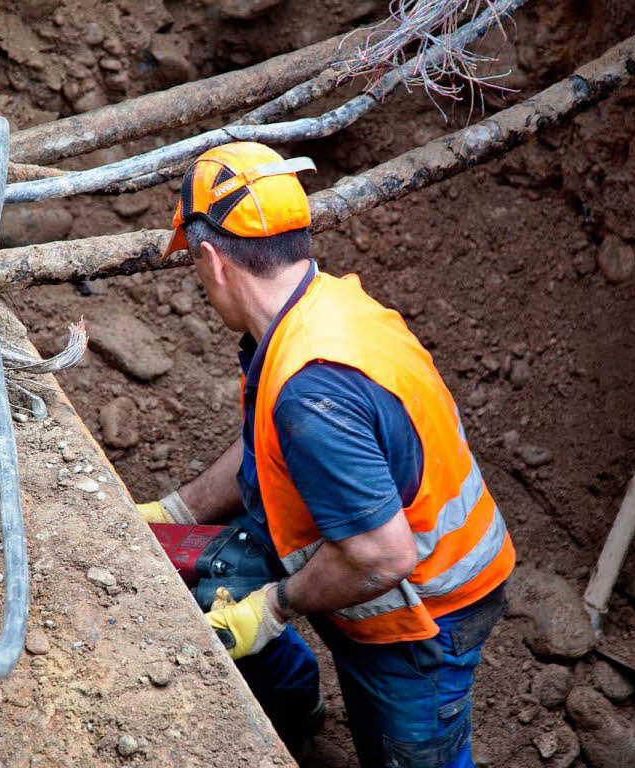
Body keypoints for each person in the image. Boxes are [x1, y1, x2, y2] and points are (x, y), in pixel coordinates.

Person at [136, 141, 515, 768]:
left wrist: (276, 607)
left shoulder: (312, 388)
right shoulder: (320, 309)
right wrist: (178, 509)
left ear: (212, 259)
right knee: (217, 574)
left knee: (403, 755)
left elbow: (382, 555)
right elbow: (272, 443)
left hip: (423, 620)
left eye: (194, 268)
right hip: (380, 568)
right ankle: (296, 716)